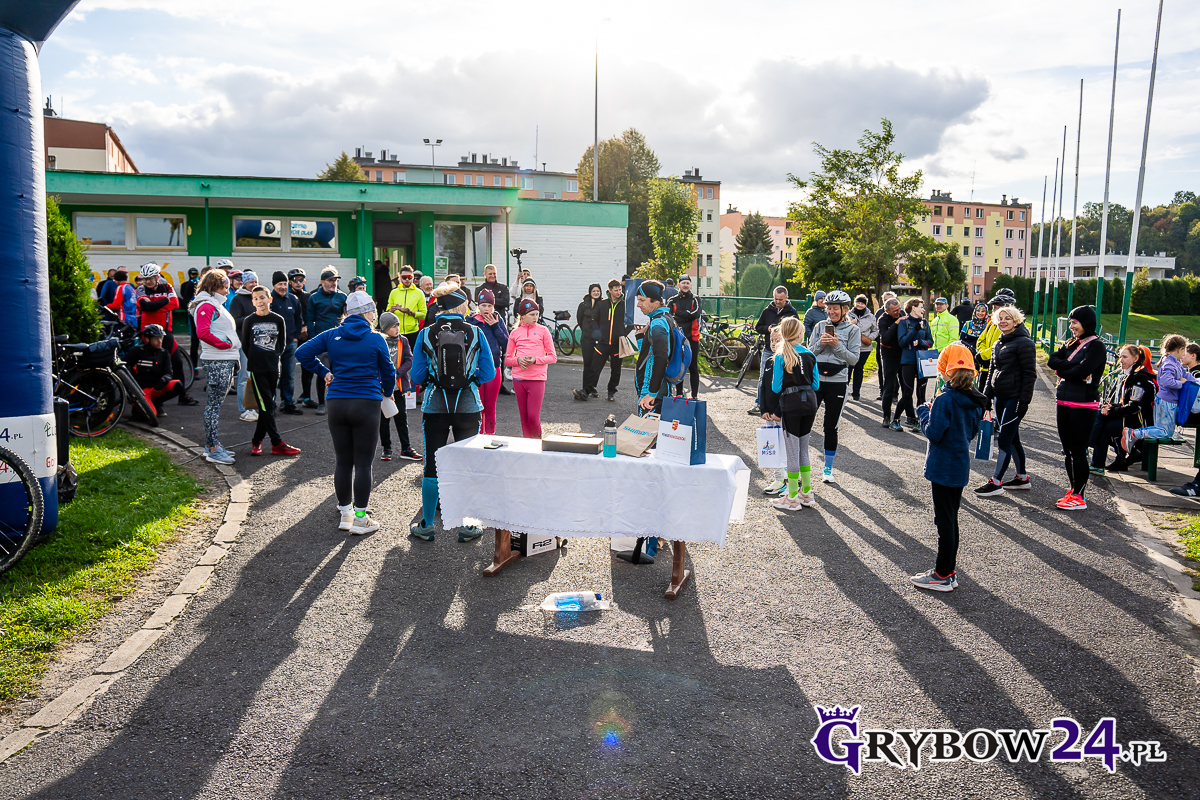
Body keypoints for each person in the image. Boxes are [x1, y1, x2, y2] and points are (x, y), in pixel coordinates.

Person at [297, 290, 395, 534]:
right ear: (367, 313)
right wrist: (388, 391)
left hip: (337, 401)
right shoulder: (376, 338)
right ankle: (360, 518)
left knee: (343, 460)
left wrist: (324, 372)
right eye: (373, 311)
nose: (374, 315)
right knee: (363, 462)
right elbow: (388, 371)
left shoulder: (332, 334)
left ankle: (345, 513)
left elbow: (302, 353)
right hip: (366, 402)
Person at [409, 283, 497, 542]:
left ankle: (426, 525)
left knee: (431, 466)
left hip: (435, 405)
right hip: (468, 405)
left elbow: (417, 375)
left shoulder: (425, 333)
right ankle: (468, 526)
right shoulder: (475, 331)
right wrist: (471, 379)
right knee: (468, 465)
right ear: (460, 306)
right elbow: (489, 372)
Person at [911, 344, 987, 592]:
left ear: (945, 370)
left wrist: (924, 413)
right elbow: (971, 432)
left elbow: (934, 434)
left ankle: (942, 574)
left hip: (942, 466)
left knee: (944, 522)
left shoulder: (944, 400)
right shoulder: (975, 400)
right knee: (950, 520)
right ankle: (948, 571)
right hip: (960, 465)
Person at [1046, 306, 1109, 511]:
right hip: (1063, 400)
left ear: (1086, 323)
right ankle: (1073, 489)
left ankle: (1079, 496)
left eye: (1075, 322)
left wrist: (1063, 369)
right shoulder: (1071, 343)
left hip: (1083, 404)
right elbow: (1052, 361)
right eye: (1071, 322)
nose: (1071, 326)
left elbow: (1084, 370)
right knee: (1067, 451)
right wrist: (1068, 368)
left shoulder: (1096, 346)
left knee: (1079, 450)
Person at [976, 305, 1036, 495]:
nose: (1003, 321)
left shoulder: (1025, 343)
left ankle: (996, 482)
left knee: (1004, 439)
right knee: (1012, 437)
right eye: (1000, 318)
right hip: (1000, 397)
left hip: (1015, 398)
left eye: (1007, 318)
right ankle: (1022, 478)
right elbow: (992, 371)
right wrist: (986, 396)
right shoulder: (998, 343)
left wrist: (1024, 401)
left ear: (1016, 321)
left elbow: (1030, 374)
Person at [763, 316, 820, 510]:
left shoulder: (780, 356)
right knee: (804, 449)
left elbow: (776, 386)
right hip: (810, 402)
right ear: (800, 333)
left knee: (792, 451)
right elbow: (816, 384)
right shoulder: (810, 354)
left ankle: (793, 497)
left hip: (791, 404)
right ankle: (807, 492)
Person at [240, 286, 301, 458]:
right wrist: (256, 359)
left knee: (266, 406)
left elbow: (282, 344)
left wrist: (273, 357)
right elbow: (245, 345)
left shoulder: (278, 319)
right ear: (253, 302)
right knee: (267, 405)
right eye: (256, 298)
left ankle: (257, 440)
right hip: (257, 369)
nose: (259, 301)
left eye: (262, 297)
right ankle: (277, 443)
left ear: (270, 299)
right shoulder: (249, 321)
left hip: (273, 368)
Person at [189, 269, 241, 465]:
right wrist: (226, 345)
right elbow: (203, 333)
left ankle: (213, 445)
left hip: (222, 358)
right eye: (224, 287)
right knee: (213, 406)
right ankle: (212, 448)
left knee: (215, 405)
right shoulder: (206, 305)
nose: (227, 291)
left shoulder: (212, 304)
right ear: (213, 286)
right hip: (217, 359)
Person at [805, 290, 858, 481]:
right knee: (805, 422)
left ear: (845, 309)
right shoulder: (819, 326)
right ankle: (801, 466)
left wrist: (837, 345)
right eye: (829, 308)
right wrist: (820, 343)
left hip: (838, 382)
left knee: (830, 426)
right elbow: (809, 353)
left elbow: (853, 359)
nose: (831, 312)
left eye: (835, 308)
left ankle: (828, 468)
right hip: (816, 381)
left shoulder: (853, 330)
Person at [1122, 334, 1199, 458]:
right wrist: (1181, 383)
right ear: (1179, 349)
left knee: (1161, 429)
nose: (1184, 353)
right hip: (1167, 402)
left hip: (1165, 401)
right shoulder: (1169, 363)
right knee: (1165, 433)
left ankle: (1133, 434)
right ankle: (1134, 434)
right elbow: (1167, 382)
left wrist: (1195, 382)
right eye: (1183, 350)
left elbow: (1185, 374)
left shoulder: (1174, 362)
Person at [135, 262, 197, 406]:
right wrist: (164, 301)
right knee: (153, 365)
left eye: (150, 278)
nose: (147, 282)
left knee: (177, 362)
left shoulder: (167, 286)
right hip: (148, 332)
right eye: (145, 279)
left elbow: (175, 304)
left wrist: (153, 305)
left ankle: (182, 395)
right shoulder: (141, 289)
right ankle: (155, 400)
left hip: (165, 331)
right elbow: (145, 306)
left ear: (157, 277)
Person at [1090, 345, 1155, 475]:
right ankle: (1096, 460)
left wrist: (1111, 411)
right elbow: (1126, 403)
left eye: (1125, 357)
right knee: (1100, 415)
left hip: (1141, 422)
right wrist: (1111, 407)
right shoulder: (1133, 375)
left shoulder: (1140, 378)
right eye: (1120, 357)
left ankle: (1091, 454)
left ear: (1135, 358)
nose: (1121, 360)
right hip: (1132, 418)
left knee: (1103, 425)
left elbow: (1135, 407)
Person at [506, 298, 557, 438]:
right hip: (519, 379)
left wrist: (536, 360)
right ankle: (526, 444)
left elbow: (553, 357)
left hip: (537, 379)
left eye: (537, 314)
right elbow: (508, 360)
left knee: (533, 417)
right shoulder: (515, 333)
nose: (536, 317)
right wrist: (518, 360)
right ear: (523, 316)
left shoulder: (543, 331)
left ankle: (537, 443)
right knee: (524, 417)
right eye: (532, 314)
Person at [376, 311, 421, 462]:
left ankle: (406, 448)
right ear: (385, 328)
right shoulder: (378, 340)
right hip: (382, 388)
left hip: (398, 386)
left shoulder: (403, 340)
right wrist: (383, 380)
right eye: (393, 326)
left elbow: (409, 360)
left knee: (402, 418)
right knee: (384, 420)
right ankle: (386, 449)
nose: (397, 329)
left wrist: (395, 374)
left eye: (398, 325)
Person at [305, 266, 348, 415]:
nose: (333, 283)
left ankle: (338, 402)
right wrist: (313, 338)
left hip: (339, 339)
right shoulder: (314, 298)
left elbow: (347, 317)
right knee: (323, 372)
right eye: (330, 280)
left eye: (335, 280)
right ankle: (321, 403)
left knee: (339, 371)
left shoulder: (342, 297)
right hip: (322, 339)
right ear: (322, 282)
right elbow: (309, 319)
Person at [750, 287, 800, 415]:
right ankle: (760, 404)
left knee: (784, 377)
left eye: (780, 300)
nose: (777, 302)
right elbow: (758, 327)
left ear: (786, 298)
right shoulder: (767, 310)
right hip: (769, 348)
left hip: (785, 350)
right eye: (776, 299)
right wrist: (767, 329)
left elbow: (796, 329)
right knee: (763, 377)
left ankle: (783, 404)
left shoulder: (791, 312)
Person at [633, 280, 676, 417]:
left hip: (652, 392)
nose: (638, 304)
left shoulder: (658, 323)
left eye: (642, 300)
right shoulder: (664, 317)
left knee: (648, 430)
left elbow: (661, 357)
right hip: (657, 389)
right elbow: (650, 353)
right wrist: (641, 337)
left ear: (656, 302)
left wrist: (652, 392)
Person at [126, 324, 185, 419]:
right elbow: (123, 366)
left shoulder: (164, 353)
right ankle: (138, 406)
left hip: (156, 389)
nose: (159, 341)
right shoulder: (138, 351)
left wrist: (162, 381)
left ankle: (156, 403)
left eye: (161, 338)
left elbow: (168, 373)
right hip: (141, 390)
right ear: (148, 339)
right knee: (149, 417)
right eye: (156, 338)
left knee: (177, 385)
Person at [470, 289, 509, 434]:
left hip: (494, 366)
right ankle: (478, 436)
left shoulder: (498, 320)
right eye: (483, 305)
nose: (486, 309)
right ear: (478, 306)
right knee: (478, 406)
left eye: (489, 306)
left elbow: (506, 344)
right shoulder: (470, 321)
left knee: (490, 407)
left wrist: (495, 326)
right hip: (476, 368)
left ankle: (490, 435)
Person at [585, 280, 630, 402]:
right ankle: (587, 390)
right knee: (595, 368)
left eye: (620, 289)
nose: (619, 292)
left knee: (616, 370)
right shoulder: (602, 304)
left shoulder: (624, 305)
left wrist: (623, 334)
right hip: (603, 343)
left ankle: (611, 392)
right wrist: (598, 335)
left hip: (617, 344)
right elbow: (594, 320)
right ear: (610, 290)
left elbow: (631, 322)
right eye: (616, 290)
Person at [893, 298, 933, 431]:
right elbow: (902, 342)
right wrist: (915, 329)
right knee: (907, 393)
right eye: (921, 307)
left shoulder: (925, 323)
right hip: (908, 361)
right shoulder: (904, 322)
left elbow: (930, 342)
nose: (923, 310)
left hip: (923, 362)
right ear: (913, 308)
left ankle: (921, 422)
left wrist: (921, 343)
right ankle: (895, 420)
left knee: (921, 394)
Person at [268, 271, 304, 415]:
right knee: (273, 376)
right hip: (273, 345)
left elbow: (298, 319)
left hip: (290, 344)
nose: (283, 287)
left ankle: (288, 403)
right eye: (279, 284)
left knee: (289, 376)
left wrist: (296, 338)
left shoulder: (293, 299)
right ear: (274, 285)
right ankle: (271, 405)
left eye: (284, 284)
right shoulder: (269, 299)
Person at [667, 276, 702, 399]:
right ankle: (679, 394)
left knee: (693, 367)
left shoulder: (696, 299)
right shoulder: (672, 300)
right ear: (679, 285)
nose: (685, 285)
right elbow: (669, 316)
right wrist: (687, 315)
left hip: (692, 338)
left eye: (687, 283)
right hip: (677, 338)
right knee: (678, 365)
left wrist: (679, 315)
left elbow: (696, 314)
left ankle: (694, 396)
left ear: (690, 285)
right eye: (683, 283)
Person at [974, 291, 1013, 387]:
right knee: (982, 392)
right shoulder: (992, 323)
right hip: (984, 367)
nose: (993, 311)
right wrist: (981, 353)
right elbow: (981, 340)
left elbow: (1000, 345)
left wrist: (983, 355)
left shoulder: (1007, 327)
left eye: (995, 308)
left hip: (997, 368)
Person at [574, 283, 605, 401]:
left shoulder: (603, 304)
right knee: (587, 364)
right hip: (586, 338)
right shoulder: (583, 305)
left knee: (596, 365)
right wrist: (586, 330)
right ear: (590, 292)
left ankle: (592, 387)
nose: (596, 293)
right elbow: (579, 320)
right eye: (594, 291)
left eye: (598, 291)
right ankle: (585, 388)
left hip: (599, 339)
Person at [877, 298, 904, 426]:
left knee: (906, 387)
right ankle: (886, 416)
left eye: (899, 309)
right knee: (889, 386)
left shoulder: (903, 314)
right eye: (895, 311)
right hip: (889, 356)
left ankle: (910, 416)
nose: (898, 312)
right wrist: (896, 323)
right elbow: (886, 338)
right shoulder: (882, 320)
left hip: (902, 355)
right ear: (887, 310)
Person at [848, 294, 878, 401]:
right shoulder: (848, 314)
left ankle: (856, 393)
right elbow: (842, 327)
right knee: (848, 369)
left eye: (862, 303)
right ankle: (844, 391)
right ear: (854, 303)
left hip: (864, 347)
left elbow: (875, 330)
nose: (859, 305)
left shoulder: (870, 316)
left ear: (865, 304)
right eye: (858, 302)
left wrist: (869, 338)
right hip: (850, 347)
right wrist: (851, 323)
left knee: (859, 369)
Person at [178, 267, 201, 379]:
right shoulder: (187, 284)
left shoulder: (203, 285)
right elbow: (186, 300)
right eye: (192, 274)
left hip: (203, 314)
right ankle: (194, 368)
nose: (194, 276)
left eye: (196, 274)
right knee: (195, 341)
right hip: (193, 315)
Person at [875, 291, 898, 395]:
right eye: (885, 300)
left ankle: (895, 392)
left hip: (897, 346)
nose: (887, 301)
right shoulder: (880, 314)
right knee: (882, 369)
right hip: (884, 346)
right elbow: (880, 332)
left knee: (896, 371)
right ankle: (883, 391)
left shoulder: (901, 313)